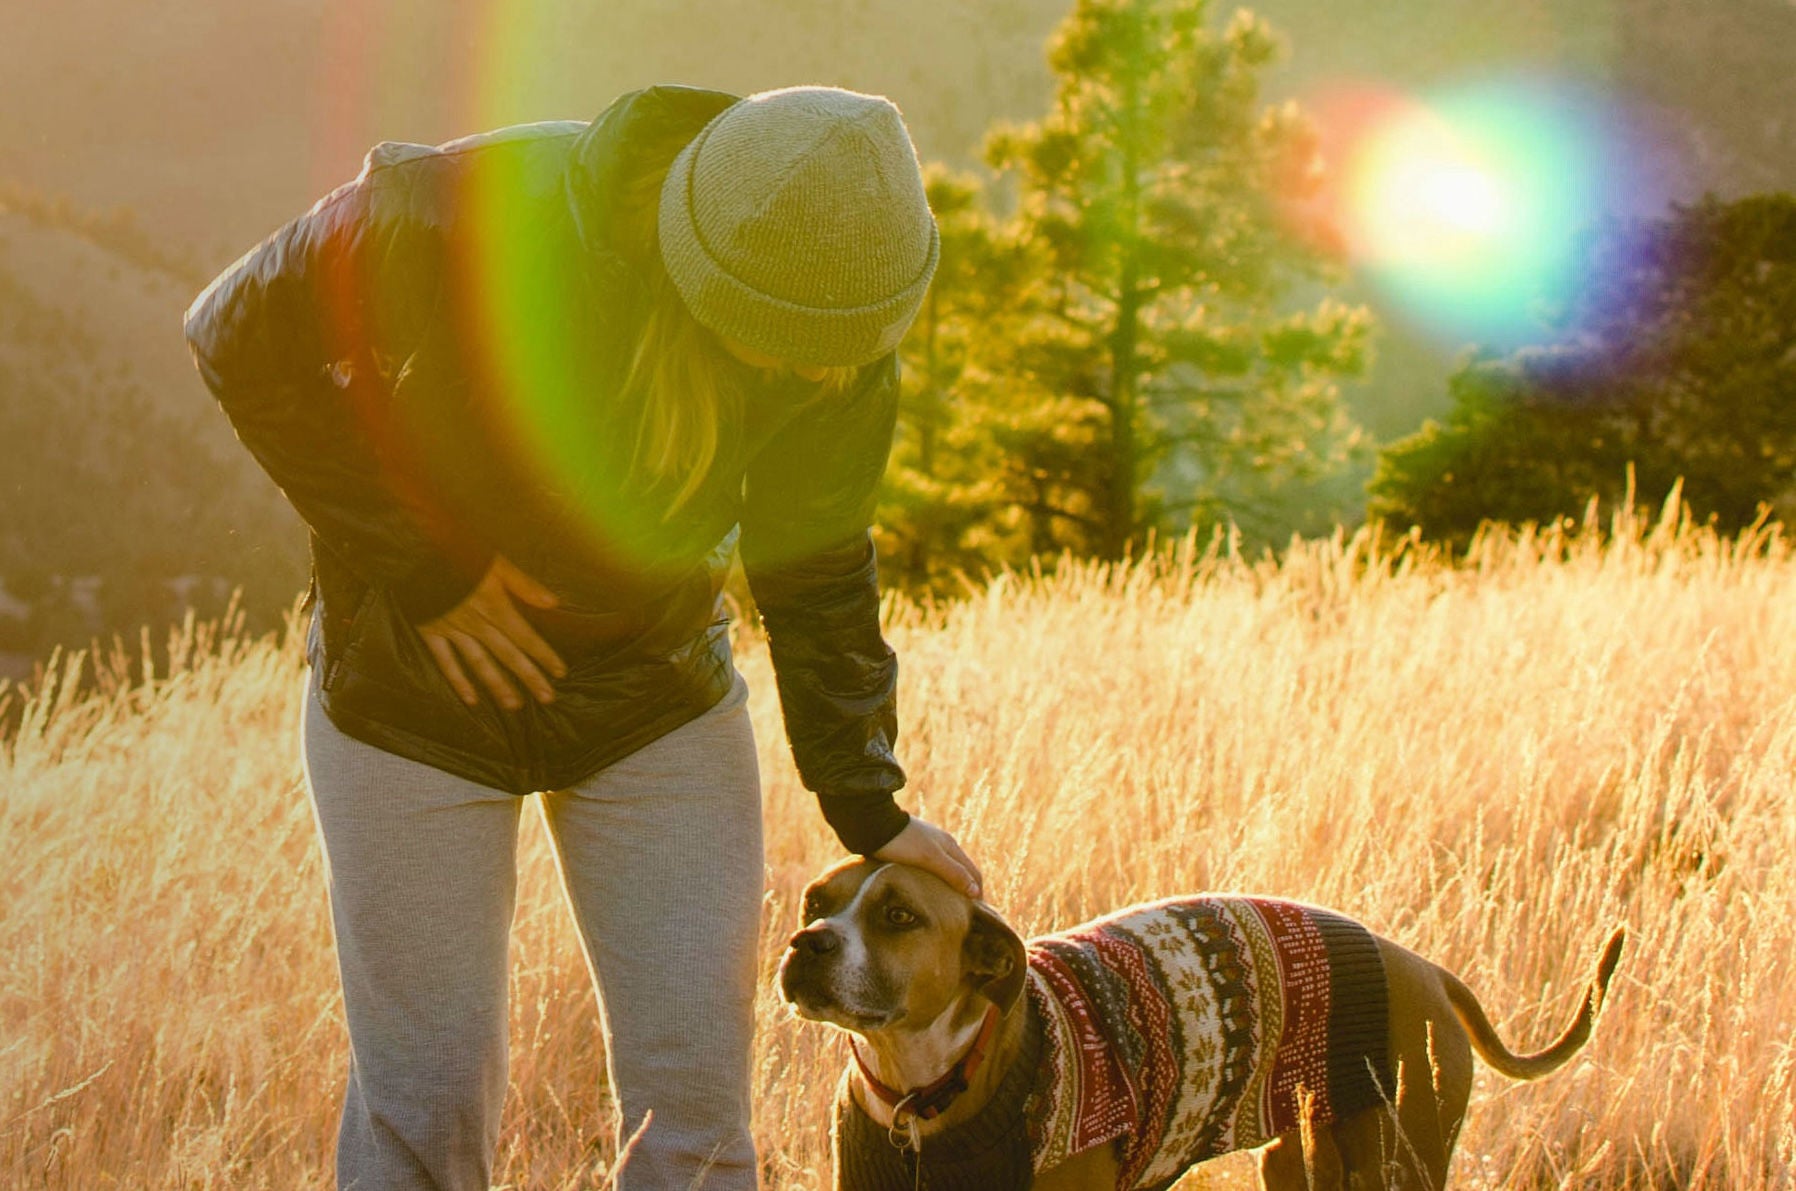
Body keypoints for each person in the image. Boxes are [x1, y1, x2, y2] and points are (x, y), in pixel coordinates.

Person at [183, 83, 982, 1191]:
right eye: (788, 347)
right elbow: (235, 329)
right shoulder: (468, 219)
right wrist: (433, 572)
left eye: (843, 349)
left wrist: (865, 801)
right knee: (424, 1114)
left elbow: (815, 571)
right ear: (708, 280)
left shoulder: (844, 309)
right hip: (409, 705)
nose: (819, 374)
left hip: (650, 702)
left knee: (695, 1128)